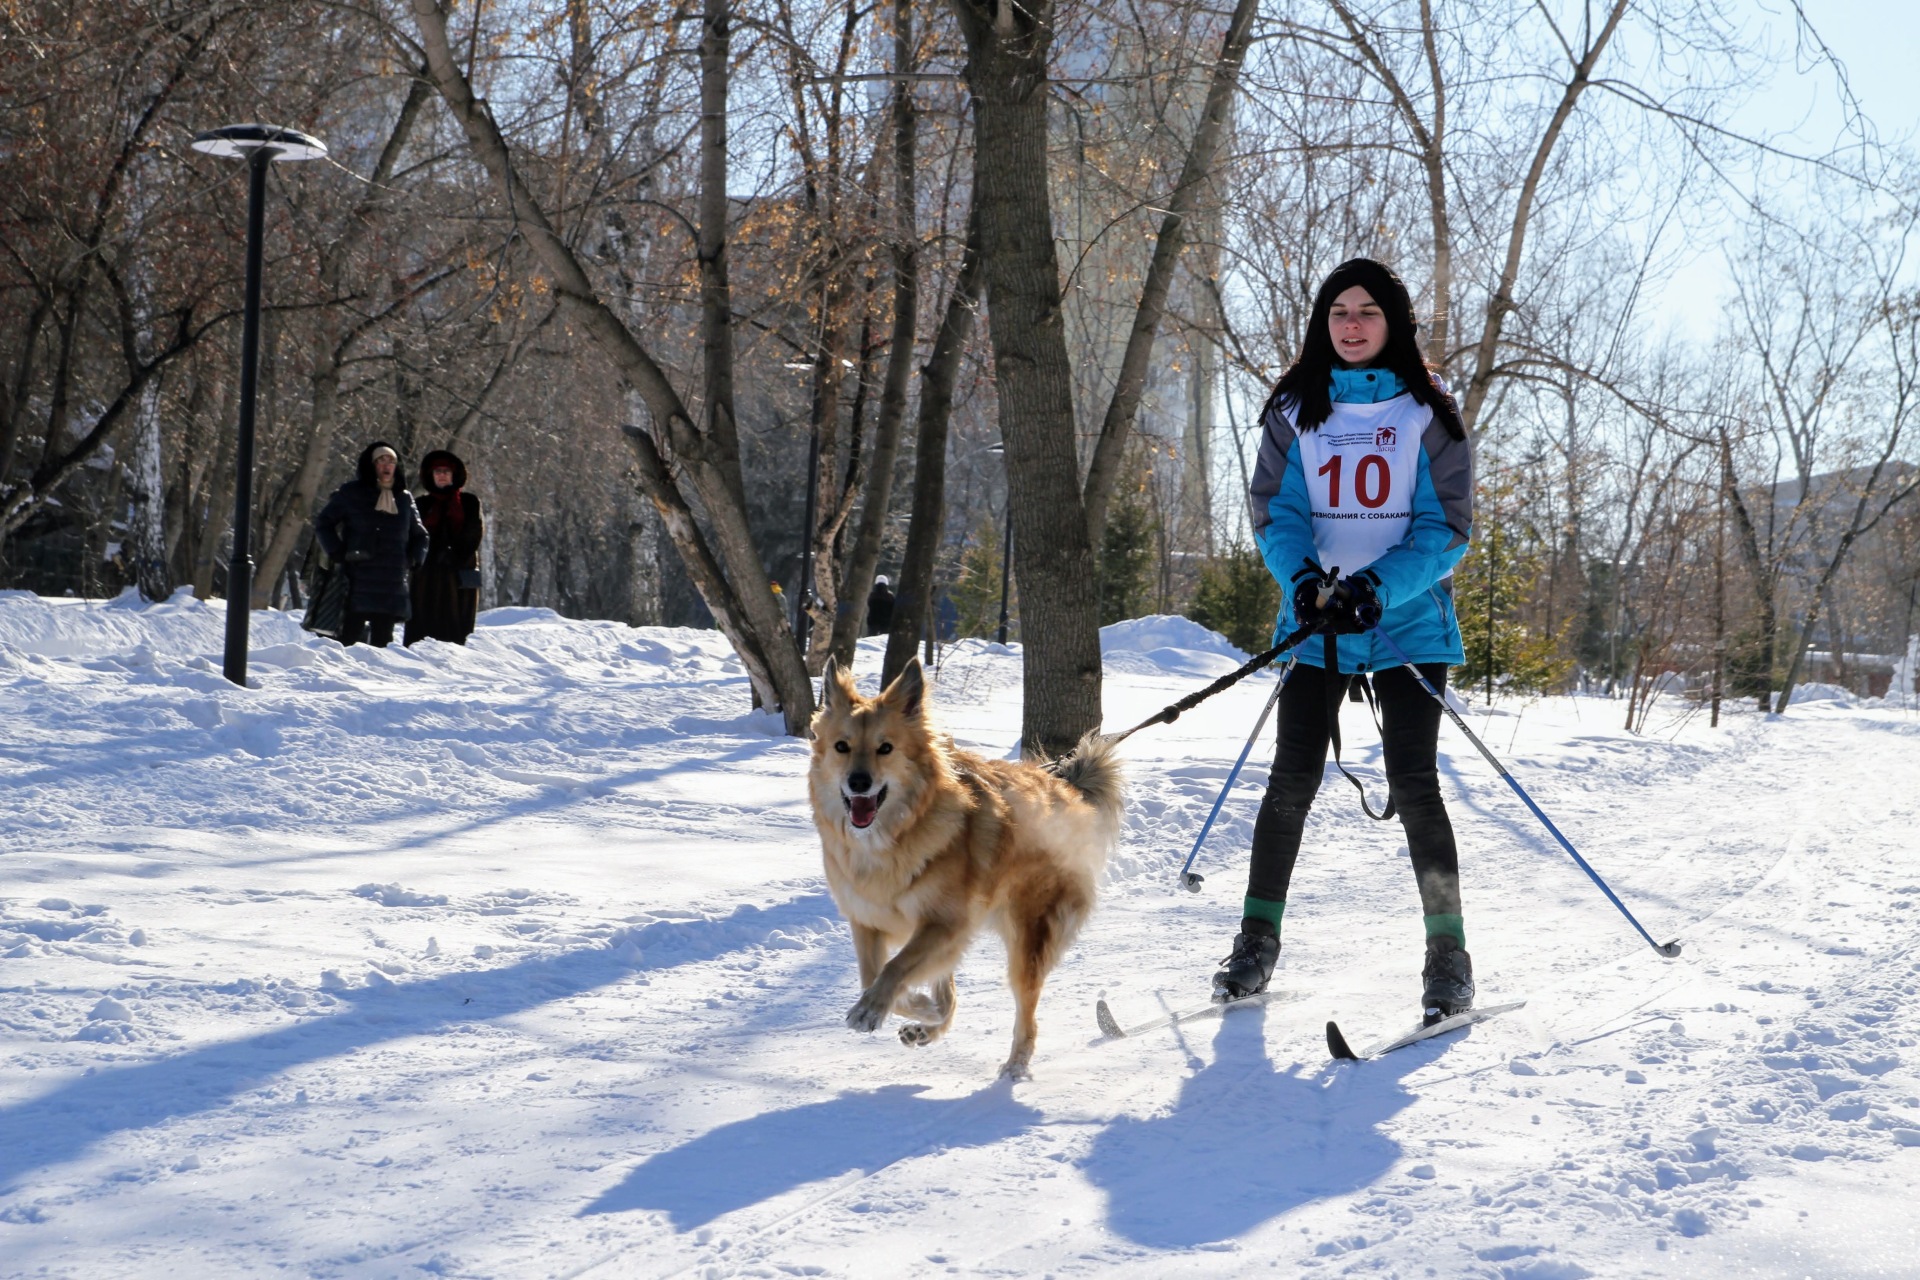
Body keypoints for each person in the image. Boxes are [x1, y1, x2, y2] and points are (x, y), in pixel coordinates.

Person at [1216, 257, 1476, 1023]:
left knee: (1416, 784)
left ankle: (1449, 955)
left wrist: (1376, 588)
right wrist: (1304, 581)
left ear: (1393, 323)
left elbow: (1446, 527)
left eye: (1367, 311)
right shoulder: (1295, 406)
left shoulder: (1429, 409)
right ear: (1322, 322)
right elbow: (1277, 512)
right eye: (1338, 311)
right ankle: (1256, 942)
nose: (1352, 325)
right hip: (1317, 621)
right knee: (1289, 781)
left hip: (1406, 623)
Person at [314, 442, 429, 648]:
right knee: (347, 641)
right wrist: (336, 551)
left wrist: (414, 558)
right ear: (371, 465)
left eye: (391, 461)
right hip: (357, 577)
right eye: (380, 460)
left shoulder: (403, 498)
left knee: (382, 645)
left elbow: (420, 536)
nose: (386, 465)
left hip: (391, 580)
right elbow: (324, 523)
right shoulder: (352, 493)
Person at [405, 448, 484, 646]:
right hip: (427, 573)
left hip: (459, 571)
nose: (442, 475)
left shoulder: (469, 502)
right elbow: (413, 534)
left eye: (446, 471)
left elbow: (474, 532)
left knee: (456, 628)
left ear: (454, 474)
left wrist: (455, 555)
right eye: (437, 471)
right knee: (422, 625)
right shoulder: (421, 504)